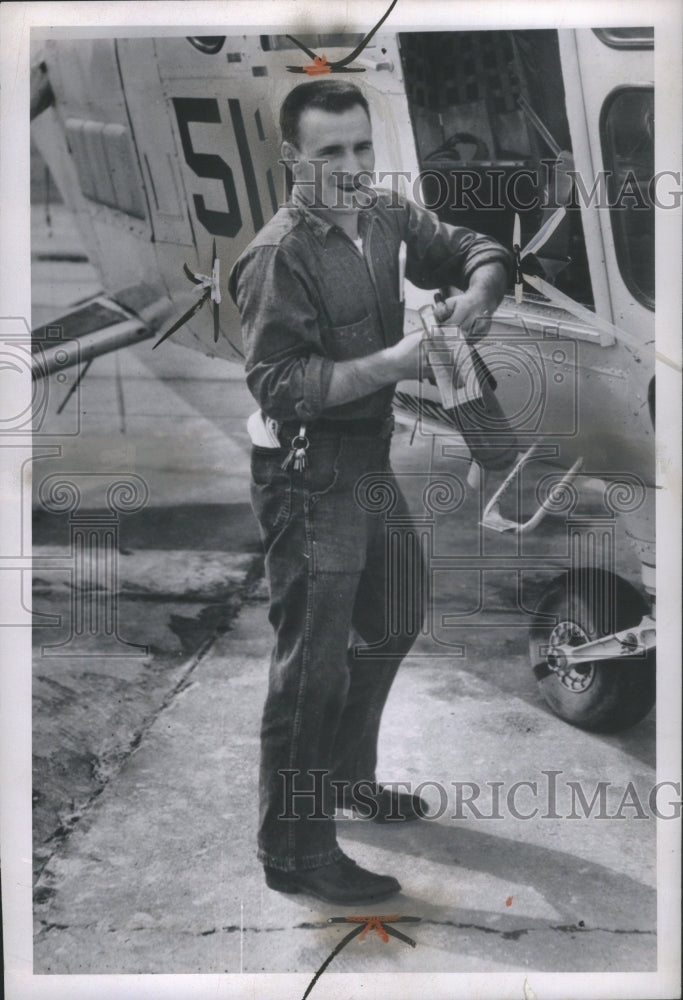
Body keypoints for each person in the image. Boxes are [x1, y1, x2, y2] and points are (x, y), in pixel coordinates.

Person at [228, 79, 511, 905]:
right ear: (293, 160)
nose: (352, 167)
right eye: (330, 154)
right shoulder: (278, 255)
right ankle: (294, 852)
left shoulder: (386, 215)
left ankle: (346, 778)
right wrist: (393, 364)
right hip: (307, 473)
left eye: (360, 147)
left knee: (393, 613)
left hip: (368, 462)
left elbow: (474, 250)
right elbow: (278, 384)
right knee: (310, 670)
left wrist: (479, 296)